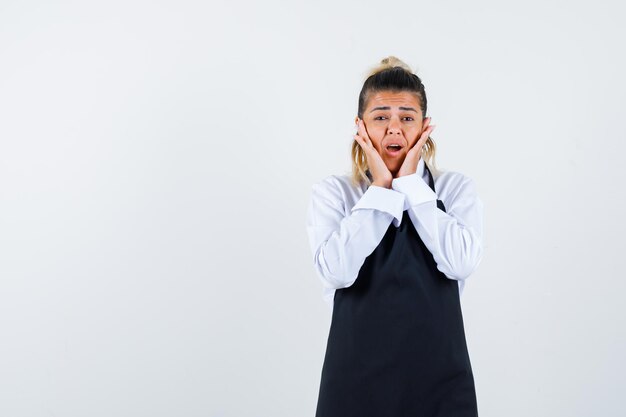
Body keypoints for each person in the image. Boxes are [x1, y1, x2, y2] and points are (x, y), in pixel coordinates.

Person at [305, 56, 484, 416]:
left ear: (424, 128)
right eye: (381, 116)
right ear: (361, 127)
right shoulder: (335, 193)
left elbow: (461, 262)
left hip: (441, 381)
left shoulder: (454, 189)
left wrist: (409, 185)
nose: (394, 129)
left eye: (407, 117)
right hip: (355, 380)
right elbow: (337, 271)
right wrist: (382, 191)